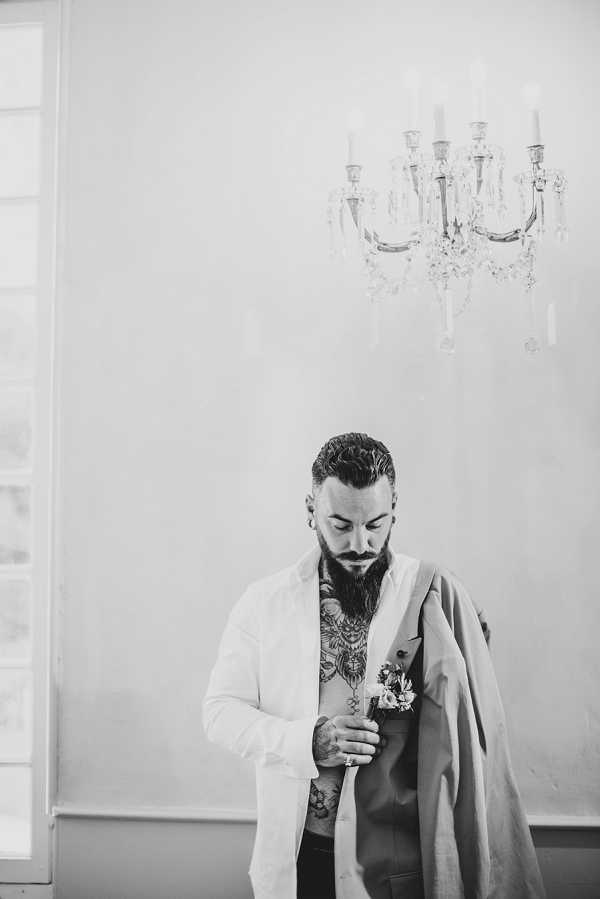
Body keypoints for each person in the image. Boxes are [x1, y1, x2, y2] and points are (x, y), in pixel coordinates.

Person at [203, 433, 546, 899]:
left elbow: (465, 731)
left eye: (375, 525)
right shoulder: (264, 603)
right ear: (310, 510)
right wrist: (308, 740)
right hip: (297, 861)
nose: (360, 544)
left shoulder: (429, 597)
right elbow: (220, 713)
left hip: (397, 869)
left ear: (394, 510)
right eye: (340, 525)